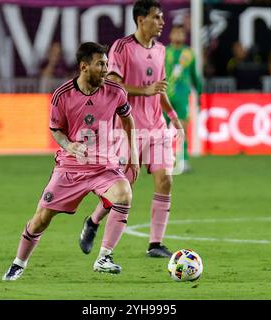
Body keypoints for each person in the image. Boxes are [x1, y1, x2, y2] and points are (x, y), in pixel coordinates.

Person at [2, 42, 139, 280]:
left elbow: (128, 121)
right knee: (40, 220)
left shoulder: (116, 92)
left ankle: (104, 257)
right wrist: (68, 145)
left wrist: (134, 155)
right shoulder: (62, 95)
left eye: (107, 64)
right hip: (70, 167)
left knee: (124, 194)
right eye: (100, 64)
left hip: (104, 166)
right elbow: (55, 129)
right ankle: (18, 263)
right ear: (84, 66)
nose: (106, 69)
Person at [79, 0, 184, 259]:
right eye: (157, 17)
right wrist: (144, 90)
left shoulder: (160, 50)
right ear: (140, 20)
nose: (162, 22)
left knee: (165, 180)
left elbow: (158, 90)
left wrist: (174, 117)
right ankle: (93, 221)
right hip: (129, 128)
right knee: (124, 187)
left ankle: (155, 244)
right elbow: (112, 84)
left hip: (157, 127)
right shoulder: (121, 47)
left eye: (161, 18)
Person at [165, 24, 203, 172]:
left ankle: (184, 161)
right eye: (176, 33)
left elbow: (195, 76)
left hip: (181, 95)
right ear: (170, 35)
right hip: (164, 95)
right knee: (161, 130)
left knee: (182, 128)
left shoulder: (189, 54)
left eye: (181, 33)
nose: (178, 36)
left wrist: (199, 93)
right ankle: (162, 161)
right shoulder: (163, 52)